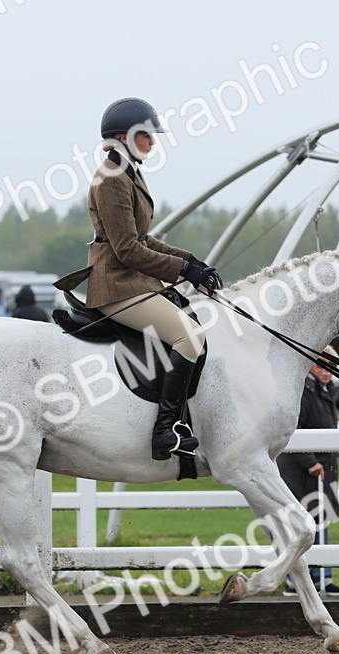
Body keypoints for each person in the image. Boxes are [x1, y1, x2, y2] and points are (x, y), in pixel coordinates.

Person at [54, 97, 223, 461]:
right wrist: (182, 271)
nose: (153, 142)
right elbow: (128, 249)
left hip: (134, 281)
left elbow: (146, 239)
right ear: (124, 136)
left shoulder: (128, 172)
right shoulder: (112, 179)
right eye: (147, 135)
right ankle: (166, 429)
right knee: (188, 336)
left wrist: (191, 262)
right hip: (116, 284)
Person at [276, 348, 339, 597]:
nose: (327, 371)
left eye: (331, 366)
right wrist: (309, 462)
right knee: (300, 526)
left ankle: (323, 577)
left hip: (320, 470)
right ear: (310, 366)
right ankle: (295, 581)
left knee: (321, 522)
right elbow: (293, 430)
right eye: (322, 366)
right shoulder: (302, 392)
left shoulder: (325, 389)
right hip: (300, 472)